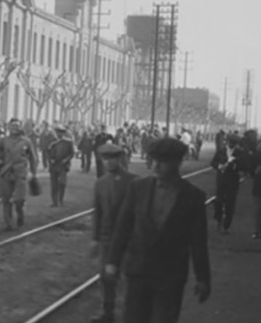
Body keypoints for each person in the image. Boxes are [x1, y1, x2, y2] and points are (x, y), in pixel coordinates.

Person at [105, 138, 211, 323]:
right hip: (138, 271)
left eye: (163, 161)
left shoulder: (193, 197)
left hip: (170, 277)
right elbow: (123, 227)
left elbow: (198, 242)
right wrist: (113, 262)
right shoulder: (138, 188)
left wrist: (203, 278)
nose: (156, 165)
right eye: (153, 160)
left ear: (178, 162)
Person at [90, 143, 139, 323]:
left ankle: (130, 315)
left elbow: (139, 214)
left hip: (129, 240)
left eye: (113, 158)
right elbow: (98, 212)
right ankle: (107, 313)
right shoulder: (100, 183)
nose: (109, 162)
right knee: (105, 278)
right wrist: (95, 238)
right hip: (106, 239)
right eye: (105, 158)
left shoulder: (134, 181)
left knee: (129, 278)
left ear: (121, 159)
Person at [0, 119, 37, 231]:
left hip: (21, 174)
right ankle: (8, 223)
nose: (15, 128)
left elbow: (33, 158)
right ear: (9, 127)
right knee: (6, 199)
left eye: (17, 126)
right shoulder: (4, 141)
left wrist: (33, 173)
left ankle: (20, 215)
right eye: (12, 126)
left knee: (19, 199)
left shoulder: (26, 141)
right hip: (6, 173)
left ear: (21, 128)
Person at [210, 133, 247, 234]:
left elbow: (244, 166)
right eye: (230, 142)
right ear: (227, 141)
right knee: (218, 201)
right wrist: (219, 166)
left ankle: (226, 226)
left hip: (233, 180)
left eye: (234, 143)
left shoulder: (240, 153)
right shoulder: (221, 151)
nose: (231, 144)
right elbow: (213, 162)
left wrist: (235, 165)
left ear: (236, 143)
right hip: (221, 179)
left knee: (230, 203)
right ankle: (218, 221)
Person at [47, 124, 75, 207]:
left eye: (60, 133)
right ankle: (54, 202)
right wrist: (51, 159)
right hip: (54, 165)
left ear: (63, 133)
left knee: (62, 184)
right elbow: (48, 152)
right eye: (57, 132)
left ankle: (60, 200)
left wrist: (66, 160)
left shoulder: (68, 142)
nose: (58, 134)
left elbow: (72, 153)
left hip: (63, 166)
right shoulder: (52, 142)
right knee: (54, 185)